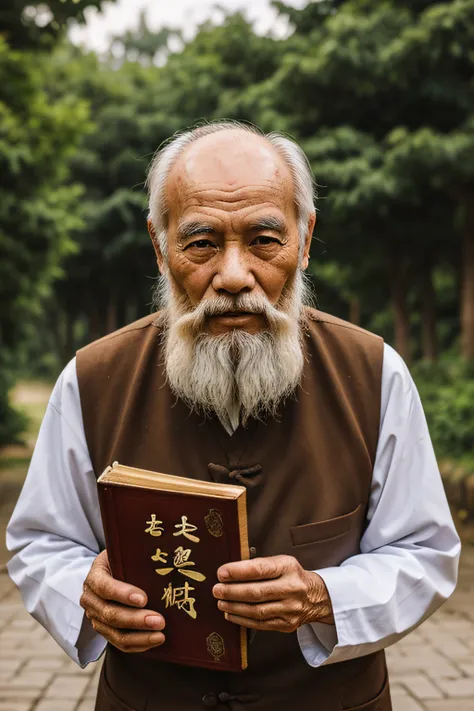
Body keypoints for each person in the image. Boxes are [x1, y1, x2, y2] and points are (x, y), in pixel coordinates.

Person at [7, 121, 460, 711]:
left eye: (264, 240)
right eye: (202, 243)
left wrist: (324, 597)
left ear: (304, 238)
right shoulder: (92, 379)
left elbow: (424, 551)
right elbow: (40, 543)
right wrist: (82, 592)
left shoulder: (374, 374)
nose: (234, 277)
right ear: (160, 244)